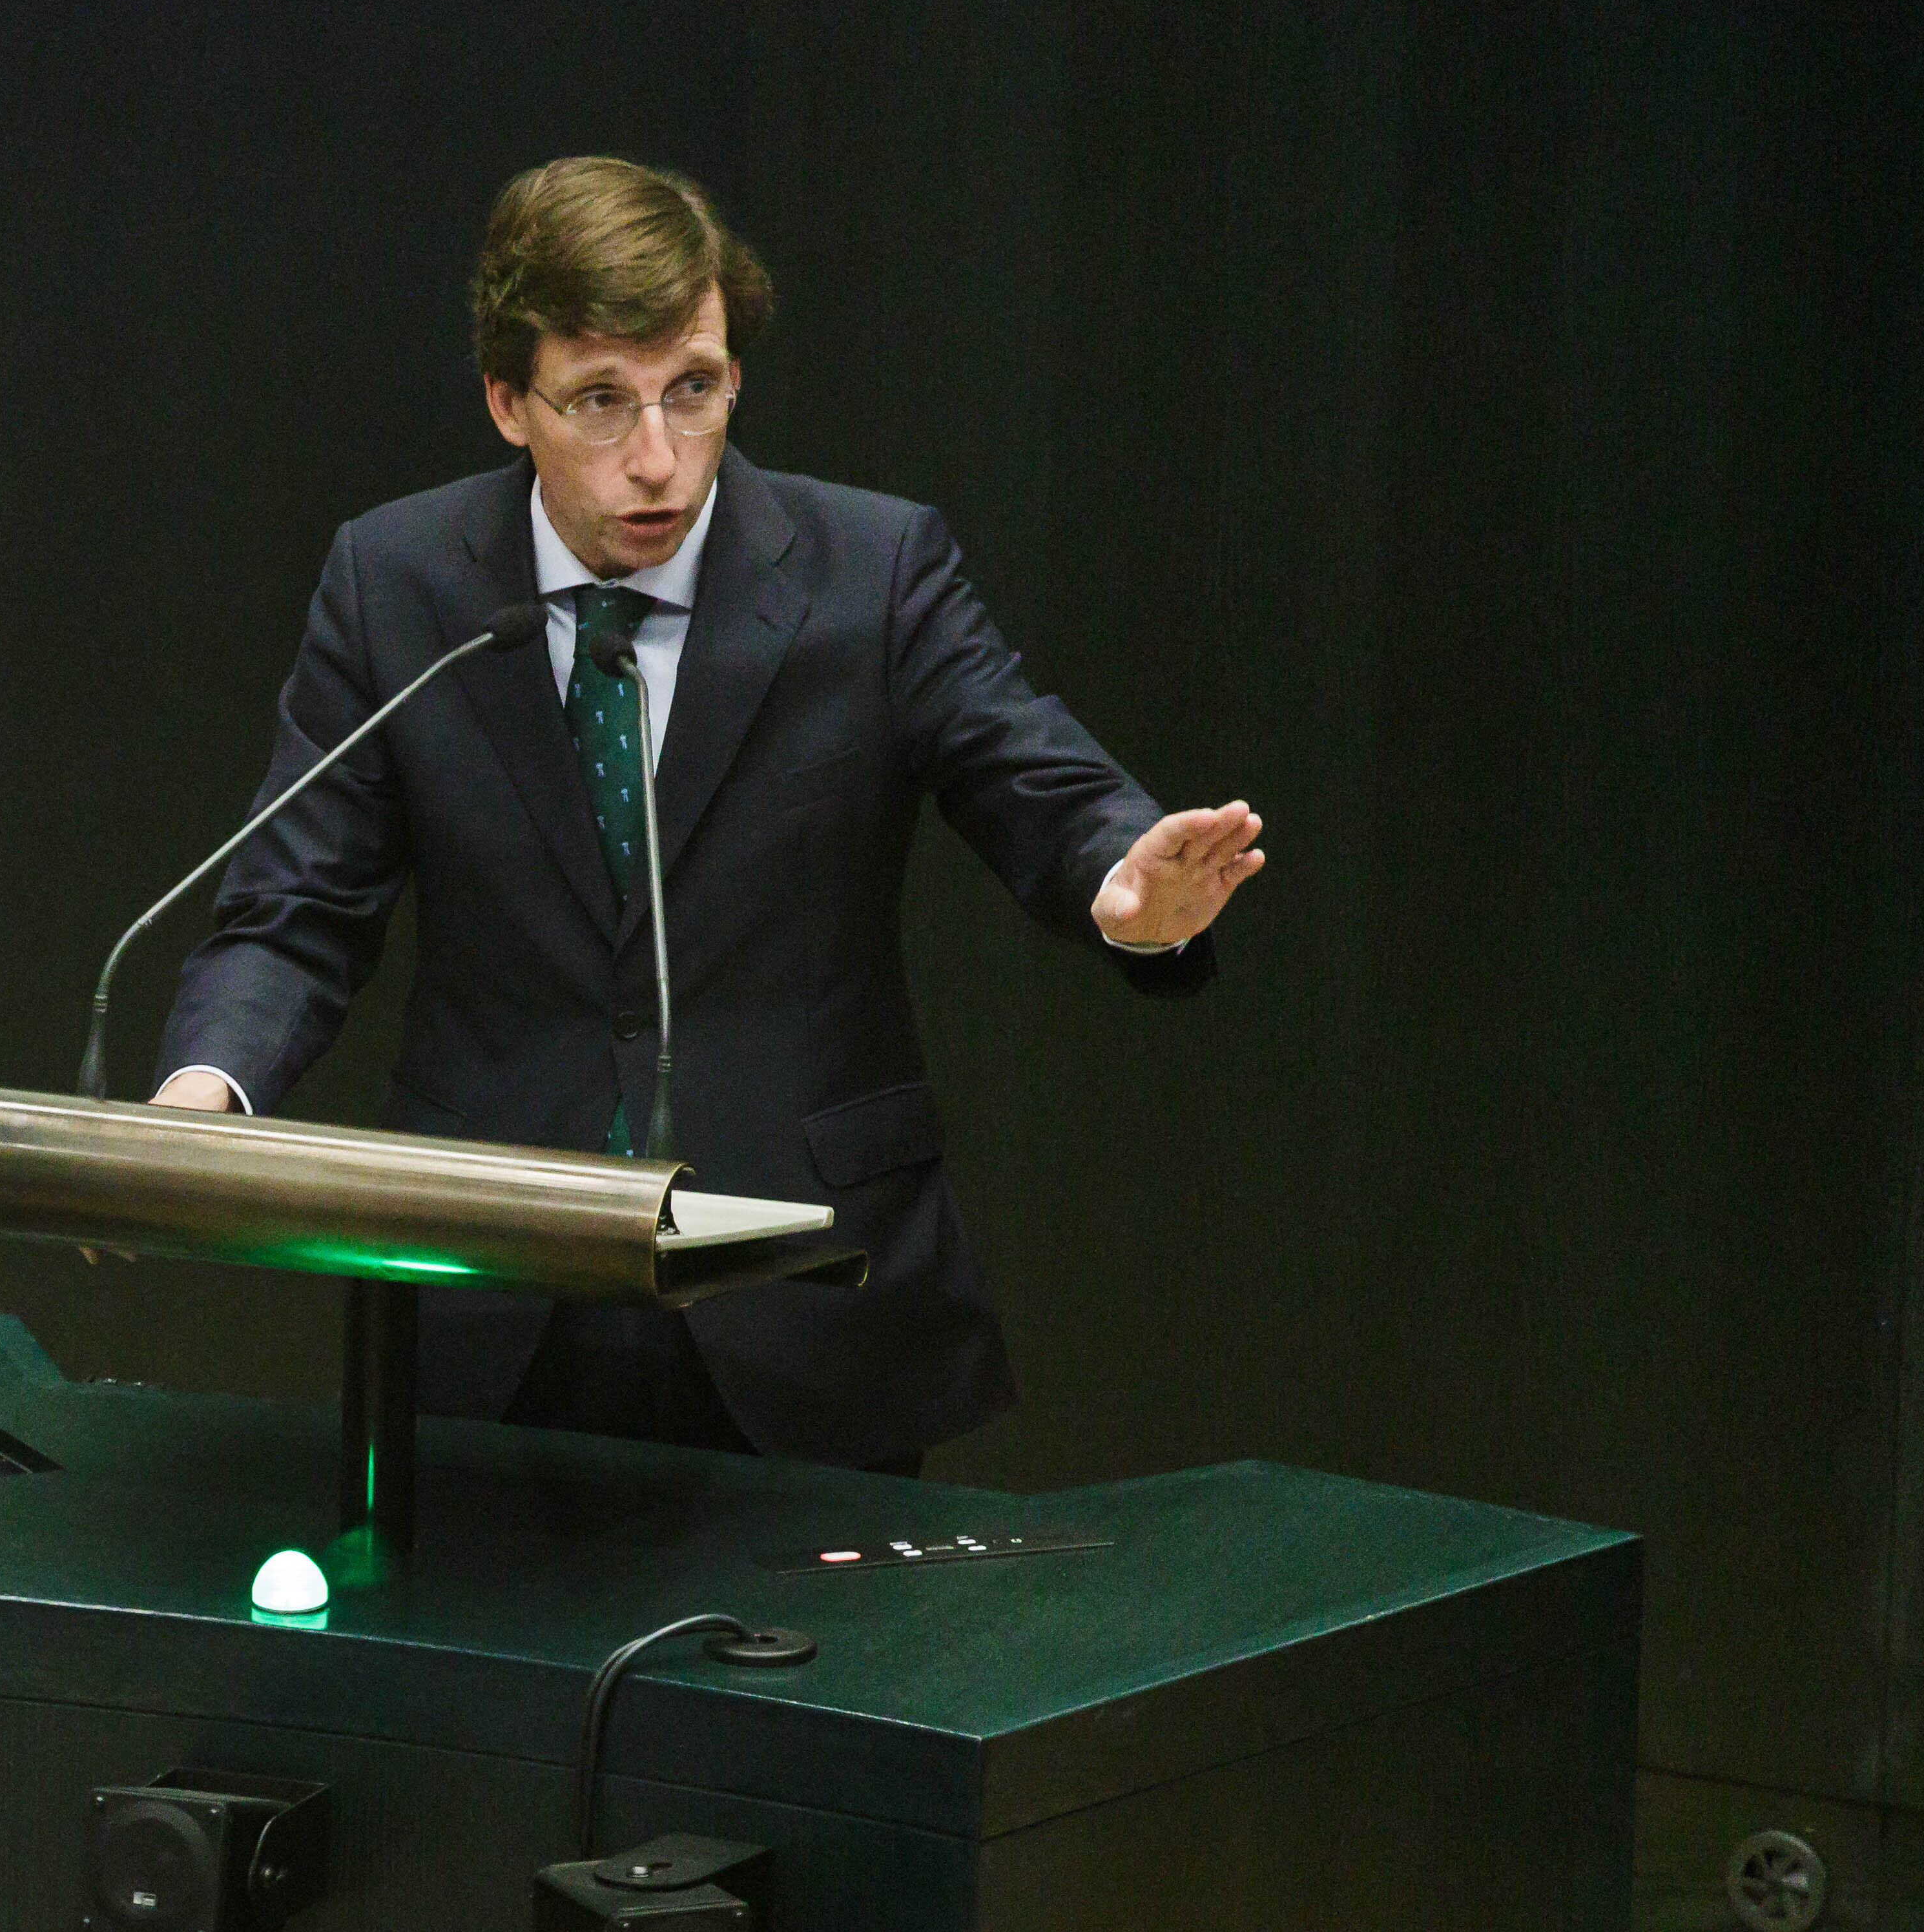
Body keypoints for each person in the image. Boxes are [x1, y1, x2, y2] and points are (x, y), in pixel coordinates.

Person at [150, 156, 1260, 1474]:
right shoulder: (396, 583)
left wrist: (1121, 885)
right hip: (492, 1301)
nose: (659, 459)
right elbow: (295, 906)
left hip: (803, 1292)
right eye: (602, 404)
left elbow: (1024, 763)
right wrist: (202, 1089)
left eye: (696, 391)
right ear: (510, 402)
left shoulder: (873, 572)